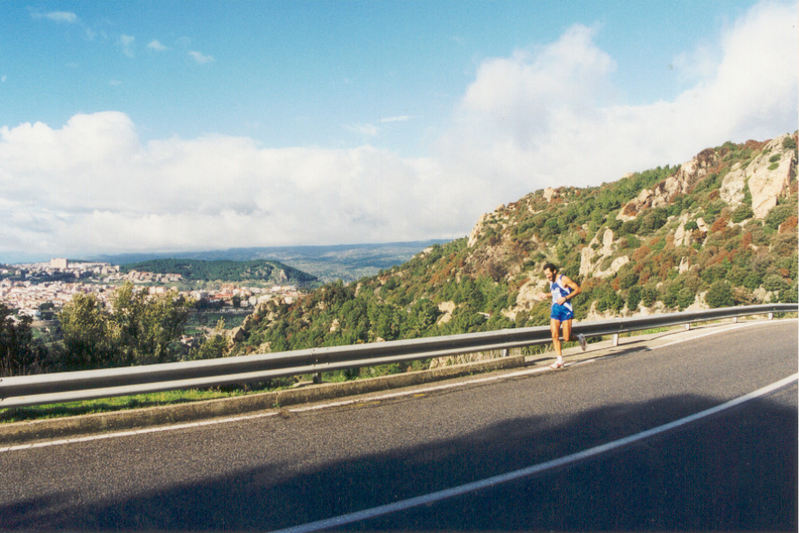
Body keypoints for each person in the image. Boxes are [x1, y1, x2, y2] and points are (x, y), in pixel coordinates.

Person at [537, 262, 586, 369]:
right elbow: (556, 293)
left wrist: (566, 298)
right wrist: (546, 295)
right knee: (554, 335)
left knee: (566, 338)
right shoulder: (551, 282)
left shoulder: (563, 279)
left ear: (554, 271)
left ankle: (579, 337)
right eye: (546, 275)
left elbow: (578, 290)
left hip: (566, 309)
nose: (547, 277)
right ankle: (559, 360)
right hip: (555, 310)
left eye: (549, 274)